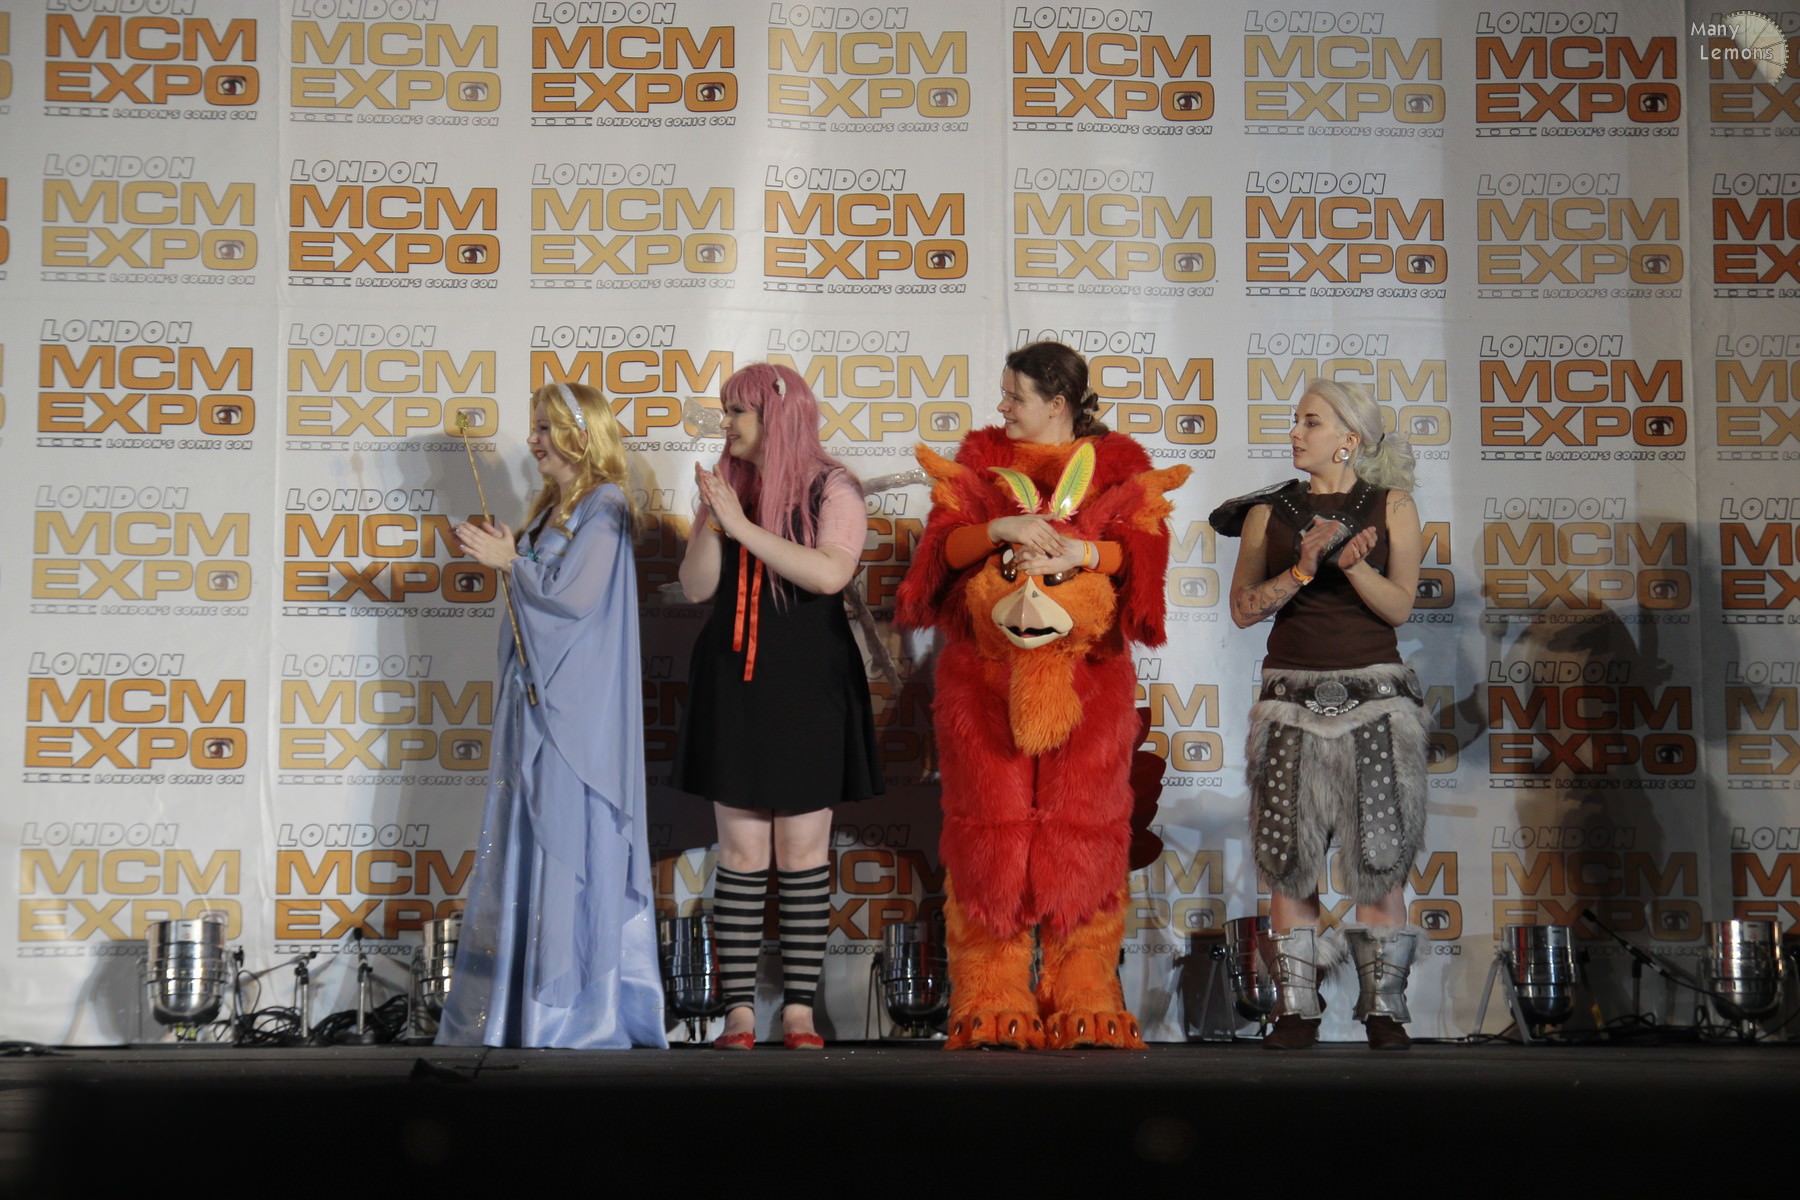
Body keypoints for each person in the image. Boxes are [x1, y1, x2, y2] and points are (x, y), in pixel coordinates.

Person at [897, 341, 1187, 1050]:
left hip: (1088, 682)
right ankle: (990, 993)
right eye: (1003, 394)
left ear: (1058, 403)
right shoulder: (981, 462)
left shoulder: (1117, 465)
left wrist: (1080, 553)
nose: (1002, 407)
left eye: (1015, 395)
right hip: (983, 682)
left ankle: (1085, 990)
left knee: (1084, 832)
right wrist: (999, 529)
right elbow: (941, 556)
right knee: (987, 837)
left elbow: (1140, 558)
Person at [436, 381, 668, 1049]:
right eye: (534, 427)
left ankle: (576, 1015)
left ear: (578, 434)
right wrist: (513, 554)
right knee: (534, 842)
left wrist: (511, 562)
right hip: (538, 706)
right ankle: (526, 1011)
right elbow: (542, 592)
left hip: (576, 719)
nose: (533, 440)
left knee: (570, 842)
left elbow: (575, 599)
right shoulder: (552, 508)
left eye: (544, 428)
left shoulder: (605, 504)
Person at [675, 362, 882, 1050]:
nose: (726, 424)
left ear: (778, 417)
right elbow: (696, 586)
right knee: (740, 851)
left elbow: (829, 572)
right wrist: (714, 519)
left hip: (807, 683)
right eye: (726, 410)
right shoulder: (730, 486)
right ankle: (738, 1012)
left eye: (739, 411)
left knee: (801, 852)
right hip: (733, 681)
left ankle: (798, 1012)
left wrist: (742, 525)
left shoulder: (832, 485)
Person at [1223, 377, 1427, 1050]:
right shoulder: (1268, 513)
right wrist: (1305, 567)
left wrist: (1352, 564)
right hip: (1289, 703)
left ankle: (1384, 1011)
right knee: (1288, 860)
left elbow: (1399, 607)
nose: (1295, 432)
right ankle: (1295, 1010)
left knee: (1380, 859)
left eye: (1310, 422)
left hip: (1375, 703)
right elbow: (1243, 609)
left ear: (1349, 437)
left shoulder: (1393, 506)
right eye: (1296, 420)